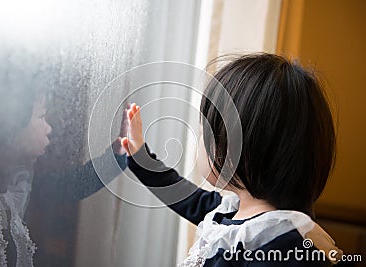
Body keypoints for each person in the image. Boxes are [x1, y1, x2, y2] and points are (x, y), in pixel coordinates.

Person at [121, 54, 343, 266]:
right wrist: (141, 157)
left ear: (236, 152)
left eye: (202, 133)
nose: (199, 142)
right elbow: (182, 195)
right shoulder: (231, 211)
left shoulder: (281, 246)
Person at [0, 58, 128, 266]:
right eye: (41, 117)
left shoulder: (17, 183)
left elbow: (69, 185)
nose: (48, 128)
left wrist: (116, 155)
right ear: (11, 124)